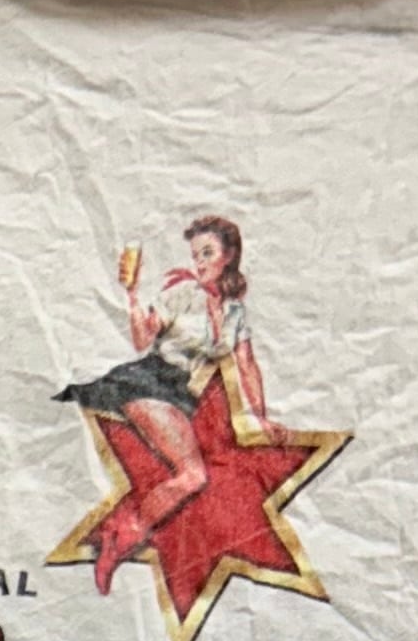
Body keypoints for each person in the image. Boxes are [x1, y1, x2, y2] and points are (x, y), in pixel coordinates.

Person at [55, 215, 276, 594]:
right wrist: (132, 295)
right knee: (192, 476)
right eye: (196, 255)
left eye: (207, 253)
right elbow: (143, 339)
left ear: (229, 256)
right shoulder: (182, 295)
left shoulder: (236, 313)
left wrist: (261, 417)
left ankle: (119, 535)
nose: (199, 262)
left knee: (193, 478)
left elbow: (247, 365)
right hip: (148, 381)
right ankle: (120, 539)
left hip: (179, 394)